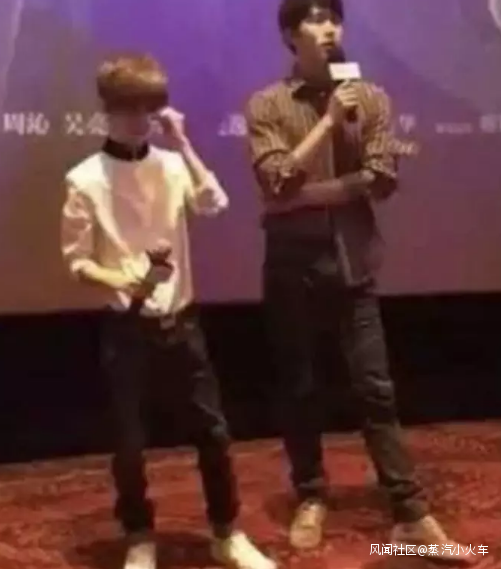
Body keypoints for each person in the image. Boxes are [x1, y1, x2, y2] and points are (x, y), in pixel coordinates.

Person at [244, 0, 471, 561]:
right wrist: (326, 125)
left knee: (375, 388)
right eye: (314, 20)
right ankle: (311, 494)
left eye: (334, 19)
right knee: (300, 387)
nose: (328, 28)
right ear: (289, 35)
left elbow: (381, 178)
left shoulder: (370, 98)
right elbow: (274, 180)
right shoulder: (267, 103)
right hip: (292, 266)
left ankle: (410, 512)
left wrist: (299, 197)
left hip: (354, 260)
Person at [61, 53, 275, 569]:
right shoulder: (84, 179)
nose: (141, 119)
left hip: (182, 322)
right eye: (130, 108)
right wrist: (123, 280)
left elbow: (214, 202)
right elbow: (77, 262)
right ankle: (139, 536)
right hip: (126, 327)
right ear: (108, 109)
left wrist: (182, 142)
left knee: (213, 433)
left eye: (149, 108)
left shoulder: (172, 164)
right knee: (129, 443)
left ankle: (226, 532)